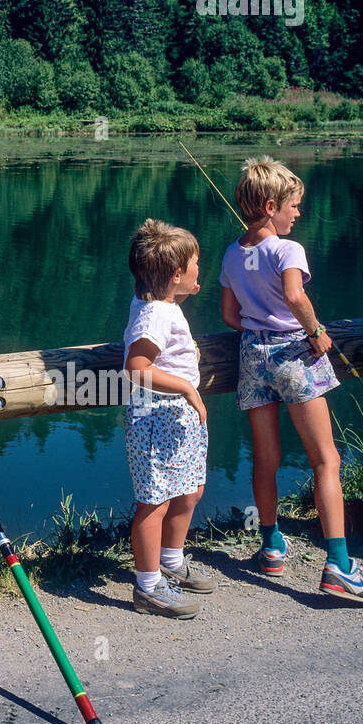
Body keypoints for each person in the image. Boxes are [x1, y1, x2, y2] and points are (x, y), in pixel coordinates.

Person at [219, 156, 363, 604]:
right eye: (294, 205)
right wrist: (316, 332)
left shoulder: (233, 253)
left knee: (265, 458)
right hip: (295, 352)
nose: (298, 213)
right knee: (326, 461)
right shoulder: (287, 251)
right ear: (270, 205)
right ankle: (340, 566)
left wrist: (260, 328)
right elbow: (294, 295)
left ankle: (270, 546)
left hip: (253, 355)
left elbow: (230, 315)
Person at [123, 219, 217, 617]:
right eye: (196, 264)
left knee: (189, 490)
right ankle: (147, 587)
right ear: (177, 274)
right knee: (154, 502)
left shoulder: (162, 304)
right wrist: (185, 387)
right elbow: (137, 367)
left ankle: (172, 560)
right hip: (156, 417)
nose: (200, 270)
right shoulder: (154, 316)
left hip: (178, 419)